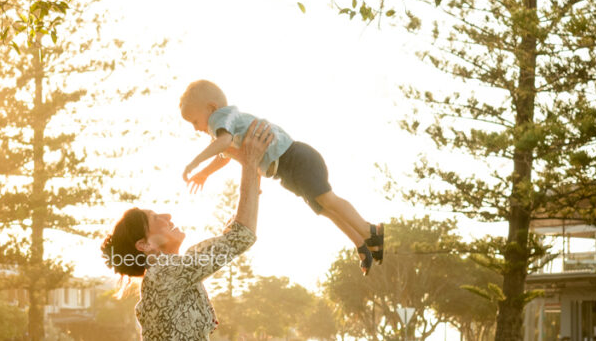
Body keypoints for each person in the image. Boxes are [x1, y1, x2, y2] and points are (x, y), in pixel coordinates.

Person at [179, 79, 384, 274]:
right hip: (291, 169)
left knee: (328, 200)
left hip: (297, 160)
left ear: (212, 108)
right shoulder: (232, 126)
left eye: (195, 121)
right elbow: (228, 157)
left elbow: (222, 144)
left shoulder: (221, 119)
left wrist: (196, 161)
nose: (196, 129)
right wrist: (205, 173)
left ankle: (370, 230)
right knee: (324, 209)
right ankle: (361, 244)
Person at [102, 120, 273, 341]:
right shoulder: (163, 273)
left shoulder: (171, 275)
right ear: (145, 245)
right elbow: (239, 237)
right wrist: (249, 164)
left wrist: (254, 171)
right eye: (155, 218)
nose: (167, 216)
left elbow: (233, 233)